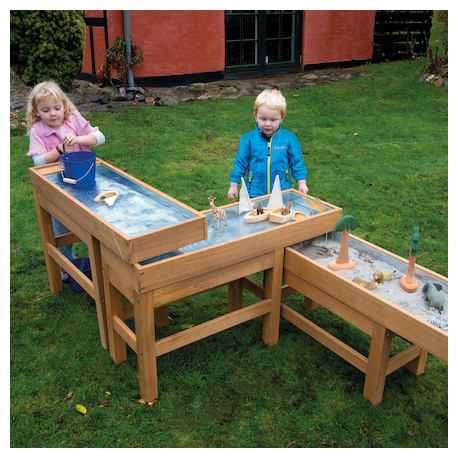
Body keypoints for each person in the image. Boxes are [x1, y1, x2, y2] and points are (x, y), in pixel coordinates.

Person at [26, 80, 105, 280]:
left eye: (56, 108)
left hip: (85, 178)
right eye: (45, 110)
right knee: (61, 222)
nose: (52, 113)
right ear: (36, 112)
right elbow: (38, 161)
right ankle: (65, 261)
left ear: (64, 105)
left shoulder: (74, 119)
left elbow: (100, 137)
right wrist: (60, 149)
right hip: (58, 183)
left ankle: (102, 257)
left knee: (95, 217)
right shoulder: (37, 131)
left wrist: (78, 139)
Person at [228, 89, 308, 200]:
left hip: (282, 192)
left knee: (280, 216)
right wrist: (234, 185)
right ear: (255, 116)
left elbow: (297, 163)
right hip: (254, 193)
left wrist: (301, 183)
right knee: (256, 217)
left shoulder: (289, 138)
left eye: (273, 120)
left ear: (282, 118)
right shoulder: (247, 139)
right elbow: (240, 163)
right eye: (263, 119)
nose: (268, 124)